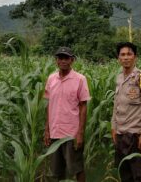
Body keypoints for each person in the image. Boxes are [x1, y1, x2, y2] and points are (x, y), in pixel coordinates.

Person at [44, 47, 90, 182]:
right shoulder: (51, 79)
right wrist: (47, 130)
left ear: (72, 60)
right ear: (56, 61)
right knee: (56, 171)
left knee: (77, 168)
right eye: (60, 58)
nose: (63, 61)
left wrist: (80, 133)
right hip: (54, 132)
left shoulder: (80, 79)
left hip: (71, 133)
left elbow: (83, 106)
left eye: (66, 58)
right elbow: (49, 105)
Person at [111, 42, 141, 182]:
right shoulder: (119, 78)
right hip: (121, 135)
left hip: (136, 136)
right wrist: (113, 127)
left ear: (135, 57)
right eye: (122, 55)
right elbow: (116, 104)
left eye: (129, 54)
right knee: (125, 175)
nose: (125, 58)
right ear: (118, 58)